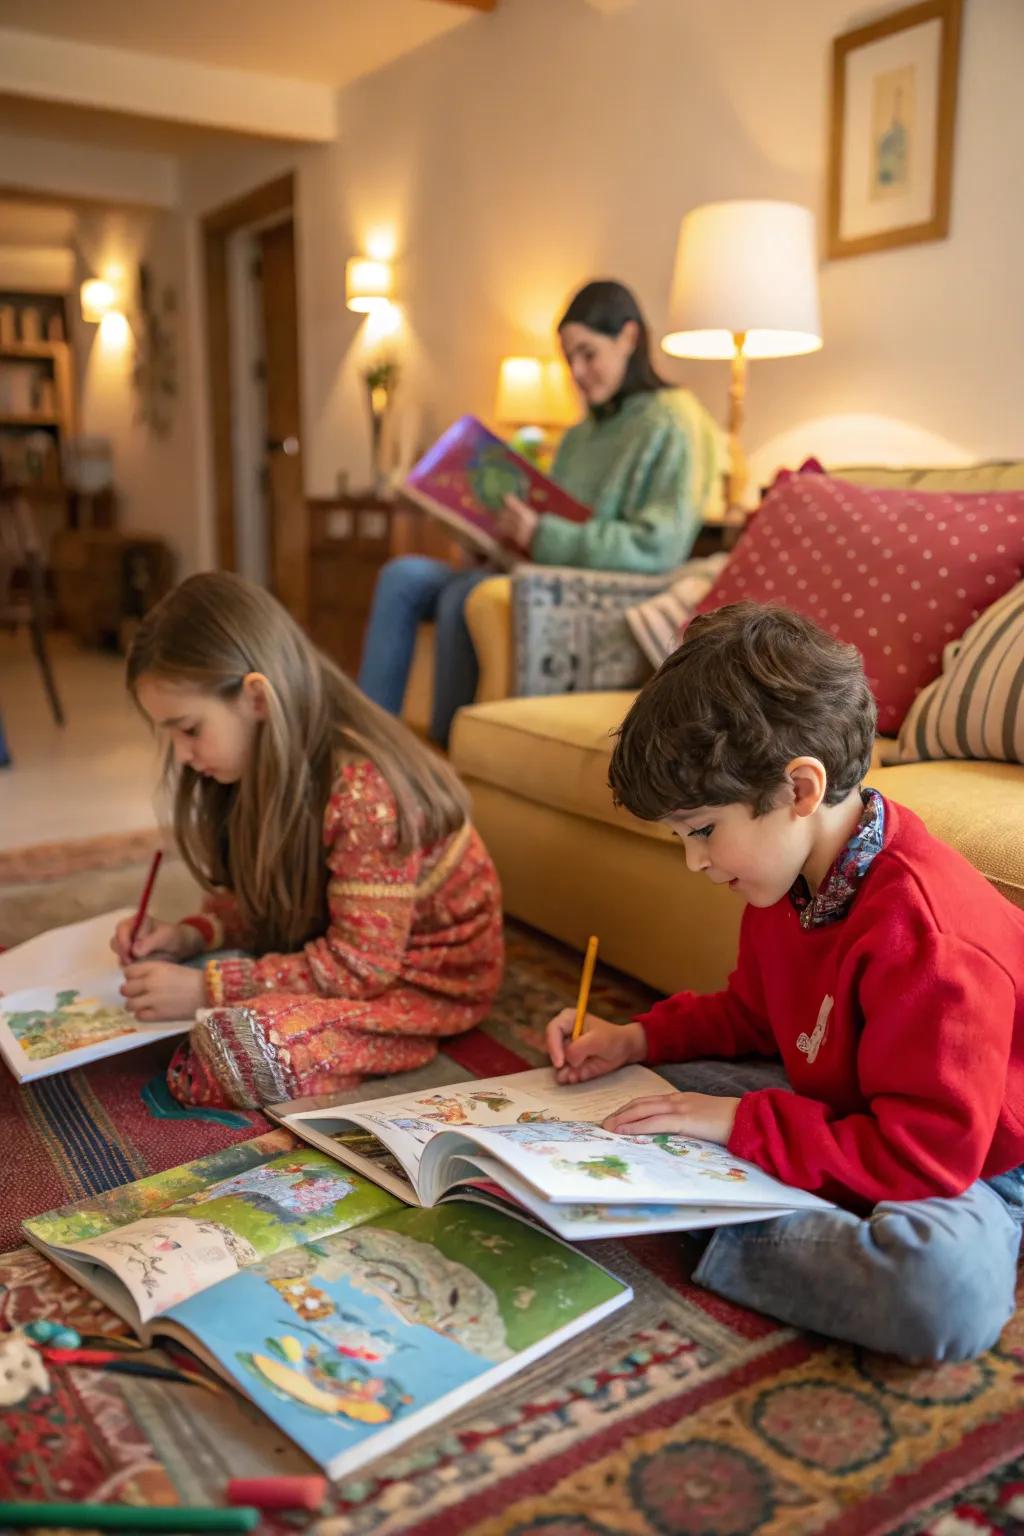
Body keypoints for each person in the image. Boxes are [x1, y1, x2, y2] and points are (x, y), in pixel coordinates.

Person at [546, 603, 1024, 1362]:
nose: (694, 862)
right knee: (634, 1092)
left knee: (942, 1292)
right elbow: (754, 1017)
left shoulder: (930, 938)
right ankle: (710, 1186)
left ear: (801, 788)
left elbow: (927, 1158)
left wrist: (738, 1127)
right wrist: (635, 1037)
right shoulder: (792, 877)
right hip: (843, 1102)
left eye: (702, 830)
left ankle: (697, 1226)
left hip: (972, 1158)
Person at [111, 571, 503, 1108]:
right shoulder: (254, 766)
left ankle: (367, 1047)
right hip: (343, 948)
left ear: (255, 698)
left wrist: (207, 989)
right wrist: (191, 936)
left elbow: (359, 968)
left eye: (189, 729)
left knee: (242, 1048)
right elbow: (272, 902)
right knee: (212, 997)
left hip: (417, 983)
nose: (181, 754)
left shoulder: (364, 790)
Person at [358, 279, 725, 747]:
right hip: (530, 568)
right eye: (569, 358)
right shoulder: (578, 434)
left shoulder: (674, 421)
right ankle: (368, 746)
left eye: (587, 354)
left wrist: (541, 535)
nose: (577, 371)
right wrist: (491, 539)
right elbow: (544, 516)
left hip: (588, 586)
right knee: (402, 575)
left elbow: (656, 546)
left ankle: (444, 762)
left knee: (463, 597)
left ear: (629, 338)